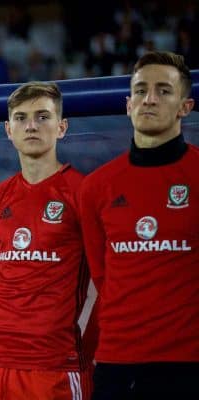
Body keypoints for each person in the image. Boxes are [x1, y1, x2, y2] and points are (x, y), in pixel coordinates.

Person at [79, 51, 198, 399]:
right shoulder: (96, 187)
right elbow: (103, 275)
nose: (149, 99)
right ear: (128, 104)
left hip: (187, 362)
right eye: (141, 90)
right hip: (117, 361)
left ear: (185, 107)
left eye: (164, 91)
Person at [0, 82, 94, 400]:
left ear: (61, 127)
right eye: (21, 118)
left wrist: (90, 349)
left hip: (52, 360)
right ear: (9, 130)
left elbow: (112, 285)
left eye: (42, 117)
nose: (31, 126)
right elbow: (0, 281)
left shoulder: (85, 192)